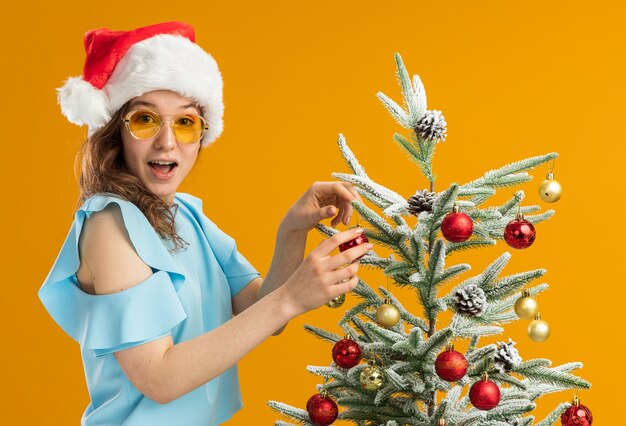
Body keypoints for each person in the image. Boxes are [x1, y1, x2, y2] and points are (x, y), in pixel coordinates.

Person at [38, 21, 371, 425]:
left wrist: (292, 232)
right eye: (145, 120)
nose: (167, 141)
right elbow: (159, 377)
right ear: (115, 133)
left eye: (185, 122)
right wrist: (291, 297)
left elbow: (261, 312)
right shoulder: (109, 225)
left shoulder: (186, 215)